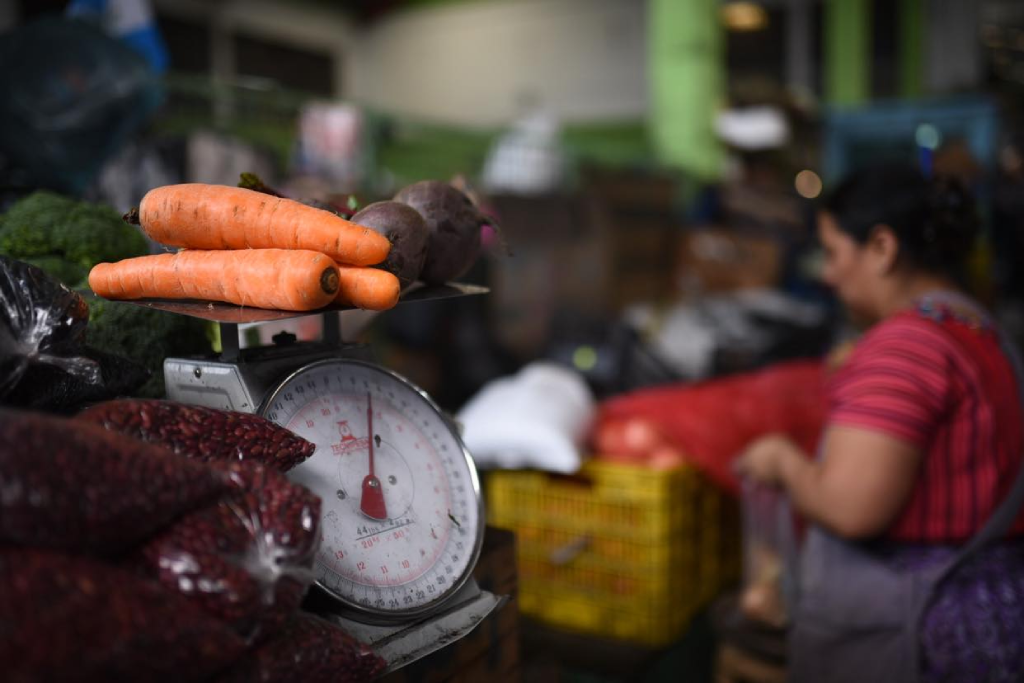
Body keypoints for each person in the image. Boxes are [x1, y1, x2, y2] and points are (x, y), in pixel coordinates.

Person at [735, 163, 1024, 683]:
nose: (826, 274)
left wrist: (782, 460)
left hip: (921, 638)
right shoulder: (977, 327)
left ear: (883, 248)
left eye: (833, 252)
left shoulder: (904, 345)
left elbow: (851, 509)